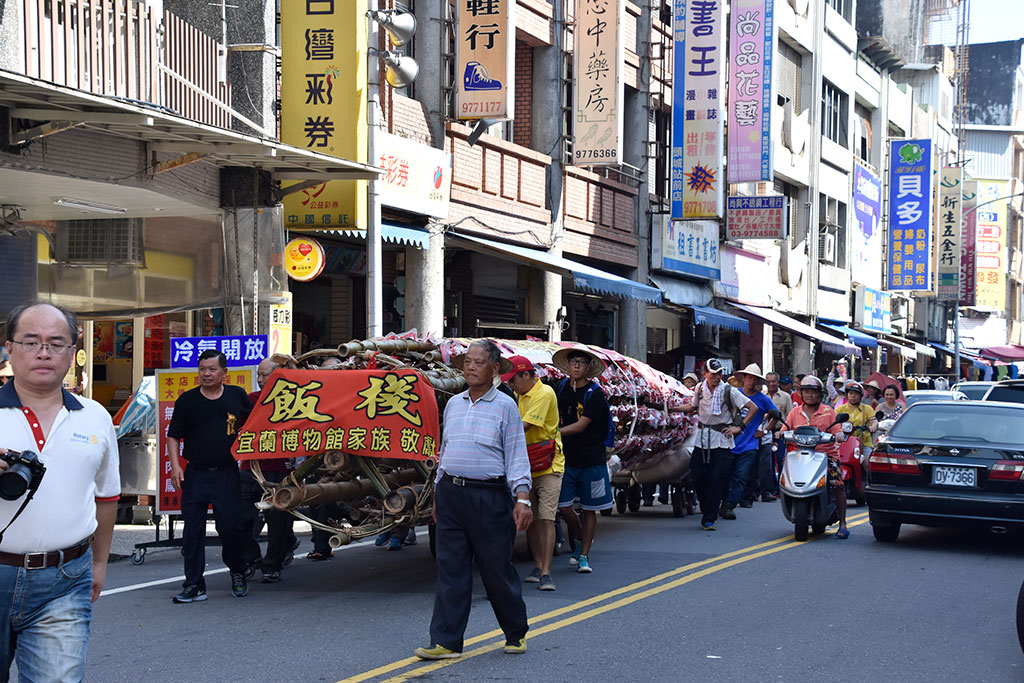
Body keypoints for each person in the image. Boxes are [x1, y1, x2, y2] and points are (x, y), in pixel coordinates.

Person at [0, 303, 119, 682]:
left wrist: (99, 563)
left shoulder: (96, 415)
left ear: (73, 352)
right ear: (9, 349)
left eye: (56, 343)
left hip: (65, 579)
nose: (43, 352)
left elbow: (107, 496)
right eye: (31, 342)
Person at [414, 340, 532, 661]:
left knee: (495, 568)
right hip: (451, 494)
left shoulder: (506, 405)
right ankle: (446, 641)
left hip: (490, 497)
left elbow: (517, 457)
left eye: (478, 363)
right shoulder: (453, 404)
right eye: (467, 362)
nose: (470, 367)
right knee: (450, 568)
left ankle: (515, 631)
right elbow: (445, 453)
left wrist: (523, 498)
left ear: (495, 370)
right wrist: (438, 493)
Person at [167, 349, 253, 602]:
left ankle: (237, 571)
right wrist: (176, 467)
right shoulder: (188, 400)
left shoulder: (237, 396)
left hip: (226, 473)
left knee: (229, 528)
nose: (206, 374)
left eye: (212, 369)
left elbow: (253, 426)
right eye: (202, 369)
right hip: (195, 474)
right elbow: (173, 435)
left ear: (224, 373)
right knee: (193, 531)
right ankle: (194, 584)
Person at [504, 355, 563, 592]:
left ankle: (547, 572)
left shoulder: (544, 393)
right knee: (530, 518)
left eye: (514, 380)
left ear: (526, 375)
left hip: (549, 465)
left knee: (546, 518)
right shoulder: (518, 395)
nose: (511, 385)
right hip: (525, 465)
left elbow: (524, 426)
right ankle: (538, 565)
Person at [553, 347, 612, 573]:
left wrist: (554, 433)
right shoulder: (560, 388)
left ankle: (584, 554)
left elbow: (582, 425)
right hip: (566, 459)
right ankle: (578, 538)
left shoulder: (595, 393)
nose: (576, 366)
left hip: (592, 459)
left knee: (590, 508)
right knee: (565, 507)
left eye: (581, 362)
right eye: (573, 361)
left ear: (588, 367)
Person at [680, 358, 757, 531]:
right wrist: (671, 408)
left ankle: (709, 518)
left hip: (722, 440)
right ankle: (707, 507)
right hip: (702, 438)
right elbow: (692, 407)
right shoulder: (699, 388)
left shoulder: (728, 390)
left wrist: (739, 427)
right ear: (705, 374)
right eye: (713, 374)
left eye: (720, 373)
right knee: (698, 475)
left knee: (717, 478)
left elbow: (752, 407)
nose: (717, 377)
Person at [240, 357, 297, 583]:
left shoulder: (294, 400)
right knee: (240, 517)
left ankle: (273, 564)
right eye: (258, 375)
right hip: (250, 468)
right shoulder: (250, 400)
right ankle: (252, 556)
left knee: (278, 519)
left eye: (265, 375)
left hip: (280, 469)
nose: (260, 379)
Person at [785, 376, 849, 539]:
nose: (809, 395)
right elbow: (786, 427)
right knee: (786, 478)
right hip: (800, 455)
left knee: (837, 484)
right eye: (806, 391)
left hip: (826, 455)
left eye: (813, 392)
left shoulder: (829, 412)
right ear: (801, 393)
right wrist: (780, 432)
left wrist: (839, 435)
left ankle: (842, 523)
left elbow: (837, 430)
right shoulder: (794, 412)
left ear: (819, 394)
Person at [721, 364, 778, 517]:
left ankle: (729, 505)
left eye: (755, 379)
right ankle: (724, 500)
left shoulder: (763, 400)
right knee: (725, 475)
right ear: (744, 378)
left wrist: (765, 430)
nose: (752, 382)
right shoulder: (734, 394)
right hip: (730, 441)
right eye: (749, 378)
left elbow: (776, 415)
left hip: (750, 444)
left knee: (741, 476)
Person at [763, 372, 793, 499]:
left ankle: (782, 487)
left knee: (781, 460)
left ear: (777, 382)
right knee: (767, 462)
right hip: (764, 431)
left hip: (781, 431)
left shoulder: (785, 397)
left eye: (773, 381)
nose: (771, 384)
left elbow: (790, 416)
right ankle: (770, 488)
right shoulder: (762, 395)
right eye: (768, 381)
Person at [836, 381, 877, 460]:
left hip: (864, 443)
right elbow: (833, 422)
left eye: (856, 394)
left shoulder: (867, 408)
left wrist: (873, 426)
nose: (853, 396)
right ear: (847, 395)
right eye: (851, 393)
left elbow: (873, 420)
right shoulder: (840, 409)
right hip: (844, 442)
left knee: (867, 464)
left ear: (860, 396)